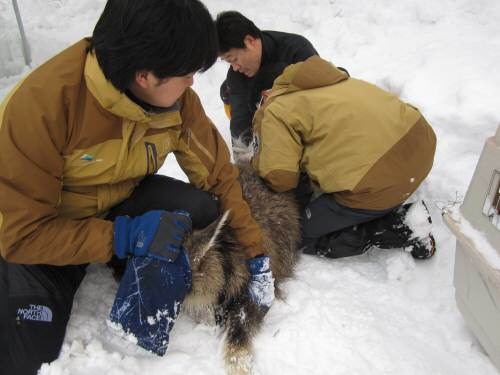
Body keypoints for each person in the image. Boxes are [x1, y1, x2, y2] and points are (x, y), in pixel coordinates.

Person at [0, 1, 273, 373]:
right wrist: (123, 236)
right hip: (48, 225)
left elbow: (219, 176)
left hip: (118, 199)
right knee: (26, 353)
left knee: (204, 209)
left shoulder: (176, 102)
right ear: (144, 76)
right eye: (187, 73)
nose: (193, 82)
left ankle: (126, 256)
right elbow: (22, 234)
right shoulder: (41, 109)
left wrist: (256, 253)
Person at [252, 55, 437, 260]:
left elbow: (280, 178)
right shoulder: (334, 81)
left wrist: (258, 161)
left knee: (295, 234)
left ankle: (400, 227)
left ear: (266, 93)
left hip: (383, 180)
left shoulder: (276, 109)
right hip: (422, 143)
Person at [216, 11, 319, 145]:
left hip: (297, 108)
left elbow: (320, 96)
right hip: (261, 112)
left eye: (234, 59)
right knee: (228, 92)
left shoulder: (296, 49)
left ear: (249, 41)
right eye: (229, 62)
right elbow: (240, 122)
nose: (234, 67)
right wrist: (244, 158)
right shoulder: (236, 74)